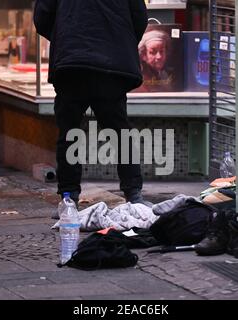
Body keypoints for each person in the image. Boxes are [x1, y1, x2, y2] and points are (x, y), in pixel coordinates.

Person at [34, 0, 152, 207]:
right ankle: (133, 193)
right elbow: (139, 18)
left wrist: (66, 36)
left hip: (71, 66)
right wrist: (118, 41)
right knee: (119, 132)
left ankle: (69, 197)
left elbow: (42, 18)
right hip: (110, 67)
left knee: (69, 135)